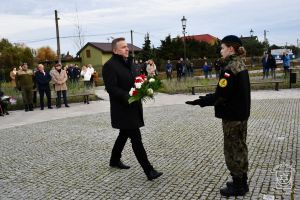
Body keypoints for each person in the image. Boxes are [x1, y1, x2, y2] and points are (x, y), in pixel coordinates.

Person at [186, 35, 250, 197]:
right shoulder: (239, 64)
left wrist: (201, 101)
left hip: (232, 116)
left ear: (230, 48)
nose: (220, 51)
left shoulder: (230, 69)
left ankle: (238, 186)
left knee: (232, 150)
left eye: (222, 48)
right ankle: (242, 181)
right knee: (241, 147)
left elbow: (221, 95)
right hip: (241, 114)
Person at [102, 37, 162, 180]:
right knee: (136, 138)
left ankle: (114, 160)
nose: (127, 49)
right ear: (115, 50)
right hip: (122, 108)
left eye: (127, 46)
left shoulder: (131, 64)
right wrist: (128, 95)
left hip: (134, 106)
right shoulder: (109, 66)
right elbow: (111, 88)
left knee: (123, 134)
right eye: (123, 47)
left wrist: (145, 87)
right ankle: (149, 170)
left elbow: (137, 80)